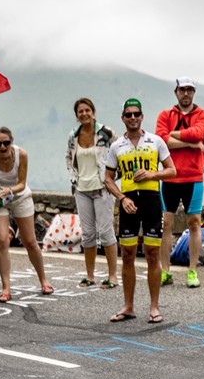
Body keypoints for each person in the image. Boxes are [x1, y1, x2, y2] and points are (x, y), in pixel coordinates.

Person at [103, 99, 175, 324]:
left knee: (153, 255)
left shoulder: (155, 141)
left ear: (142, 116)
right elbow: (107, 178)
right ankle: (129, 306)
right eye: (128, 114)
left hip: (152, 201)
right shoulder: (116, 146)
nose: (133, 118)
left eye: (136, 114)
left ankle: (154, 307)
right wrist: (122, 198)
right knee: (127, 256)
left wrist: (152, 175)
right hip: (129, 203)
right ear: (123, 118)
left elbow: (172, 170)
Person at [0, 126, 52, 302]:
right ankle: (6, 288)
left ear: (11, 142)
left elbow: (22, 183)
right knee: (3, 240)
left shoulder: (22, 155)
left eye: (6, 143)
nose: (3, 147)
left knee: (30, 241)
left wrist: (9, 190)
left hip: (19, 195)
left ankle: (43, 280)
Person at [154, 78, 204, 289]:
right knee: (166, 223)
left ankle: (192, 270)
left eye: (189, 90)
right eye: (182, 90)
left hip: (194, 176)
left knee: (194, 222)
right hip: (169, 176)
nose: (185, 93)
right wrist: (190, 143)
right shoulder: (165, 115)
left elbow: (199, 132)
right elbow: (161, 140)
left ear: (193, 92)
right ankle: (165, 271)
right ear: (176, 92)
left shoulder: (203, 115)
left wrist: (174, 136)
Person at [66, 97, 116, 290]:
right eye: (81, 111)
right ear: (77, 116)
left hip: (102, 188)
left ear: (93, 112)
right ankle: (90, 275)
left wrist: (111, 177)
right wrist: (73, 177)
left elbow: (120, 152)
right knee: (87, 234)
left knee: (105, 232)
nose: (84, 114)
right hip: (81, 189)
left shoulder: (106, 132)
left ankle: (113, 276)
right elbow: (68, 157)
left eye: (87, 110)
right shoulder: (73, 135)